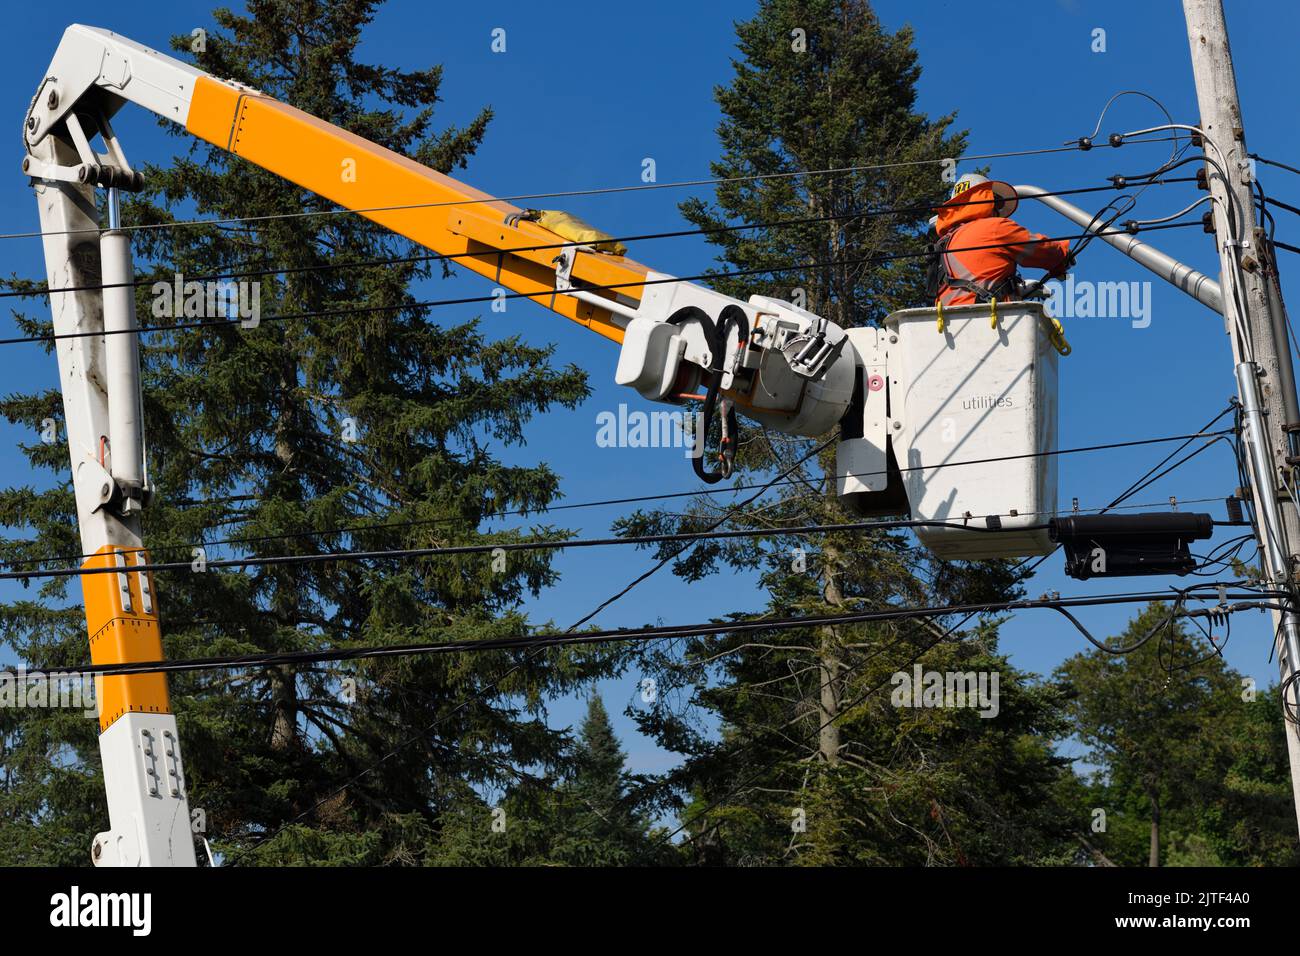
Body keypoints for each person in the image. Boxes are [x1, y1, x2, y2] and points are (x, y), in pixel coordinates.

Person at [928, 173, 1071, 307]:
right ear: (985, 199)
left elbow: (970, 284)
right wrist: (1063, 254)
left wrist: (1018, 289)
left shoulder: (945, 243)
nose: (998, 209)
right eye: (996, 202)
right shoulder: (994, 228)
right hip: (988, 322)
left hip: (948, 327)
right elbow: (1043, 250)